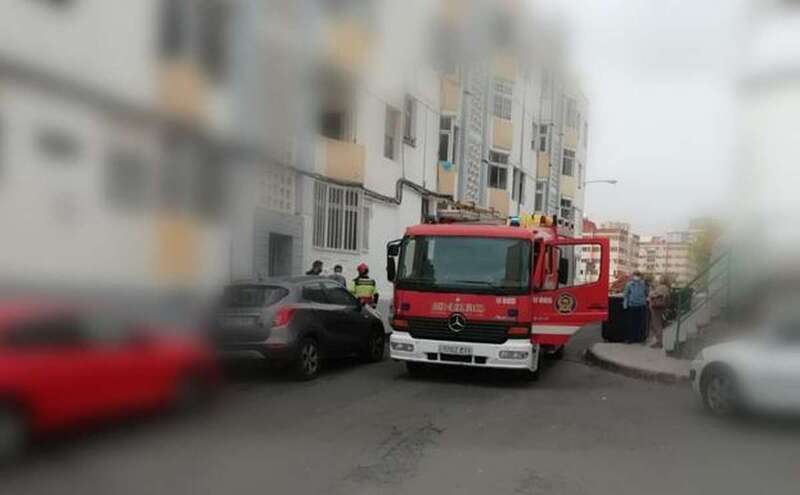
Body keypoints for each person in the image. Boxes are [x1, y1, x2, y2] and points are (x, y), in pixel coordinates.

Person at [623, 271, 649, 343]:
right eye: (635, 275)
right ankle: (630, 338)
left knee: (641, 323)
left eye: (638, 275)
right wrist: (625, 305)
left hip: (641, 305)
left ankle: (641, 338)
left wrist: (647, 286)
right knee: (631, 323)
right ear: (632, 276)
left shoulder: (643, 284)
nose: (637, 277)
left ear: (640, 276)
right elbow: (626, 295)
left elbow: (647, 293)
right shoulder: (629, 284)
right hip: (632, 306)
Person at [648, 275, 672, 348]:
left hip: (656, 308)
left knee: (657, 325)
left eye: (660, 279)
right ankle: (658, 341)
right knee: (657, 324)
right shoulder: (667, 288)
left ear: (662, 280)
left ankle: (659, 342)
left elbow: (652, 295)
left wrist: (651, 290)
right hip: (660, 307)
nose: (658, 280)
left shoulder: (661, 287)